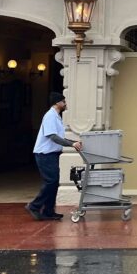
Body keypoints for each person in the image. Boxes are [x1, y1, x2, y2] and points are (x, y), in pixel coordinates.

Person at [27, 91, 82, 221]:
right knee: (51, 181)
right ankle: (34, 206)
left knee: (54, 182)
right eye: (64, 101)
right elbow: (53, 137)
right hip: (45, 154)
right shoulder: (50, 116)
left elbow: (58, 137)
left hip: (51, 154)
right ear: (57, 103)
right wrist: (72, 144)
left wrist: (72, 143)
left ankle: (48, 211)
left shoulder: (55, 116)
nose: (65, 103)